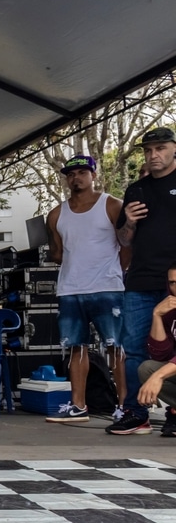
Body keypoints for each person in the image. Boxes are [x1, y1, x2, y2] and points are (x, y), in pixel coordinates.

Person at [45, 155, 125, 424]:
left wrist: (116, 272)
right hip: (70, 288)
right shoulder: (56, 214)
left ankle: (125, 406)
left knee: (117, 347)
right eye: (70, 174)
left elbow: (127, 245)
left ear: (93, 175)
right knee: (75, 348)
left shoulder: (111, 204)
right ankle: (78, 405)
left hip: (107, 287)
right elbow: (56, 253)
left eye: (81, 172)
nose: (75, 178)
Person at [113, 128, 176, 435]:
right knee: (134, 349)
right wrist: (130, 222)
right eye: (148, 150)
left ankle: (175, 411)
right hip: (140, 281)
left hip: (175, 281)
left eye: (160, 148)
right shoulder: (136, 189)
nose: (154, 155)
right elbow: (124, 241)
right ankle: (135, 413)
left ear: (174, 149)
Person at [134, 262, 176, 437]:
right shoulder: (171, 308)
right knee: (147, 368)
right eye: (173, 283)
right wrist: (157, 315)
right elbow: (161, 354)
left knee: (156, 373)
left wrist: (158, 376)